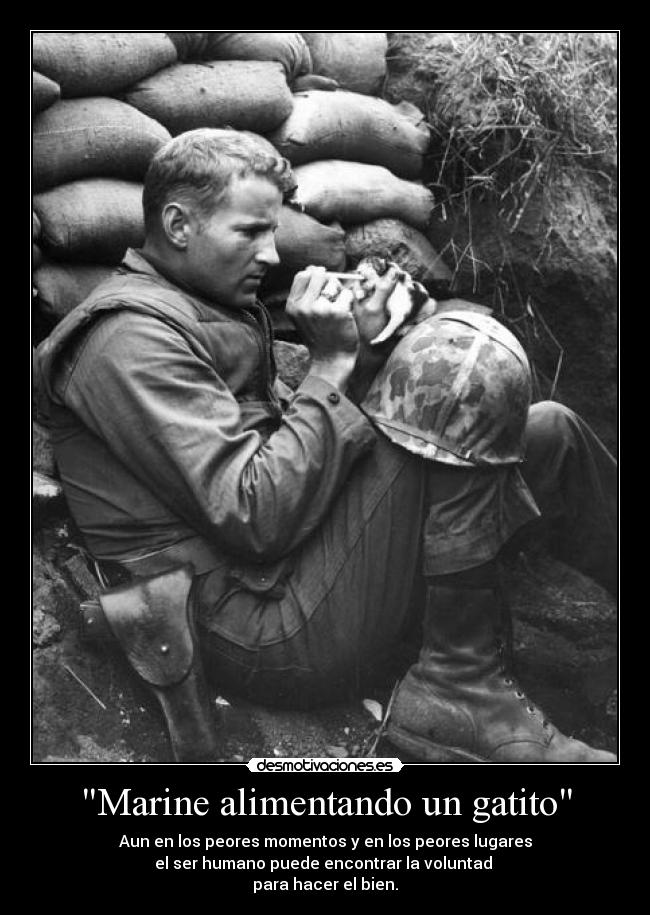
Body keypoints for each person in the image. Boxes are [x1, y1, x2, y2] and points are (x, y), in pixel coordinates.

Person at [34, 128, 617, 763]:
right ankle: (459, 689)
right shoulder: (126, 340)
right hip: (258, 627)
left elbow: (293, 464)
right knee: (457, 366)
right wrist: (333, 365)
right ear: (177, 225)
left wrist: (363, 357)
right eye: (249, 232)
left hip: (294, 572)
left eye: (271, 231)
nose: (270, 253)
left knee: (550, 432)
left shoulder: (200, 308)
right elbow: (255, 517)